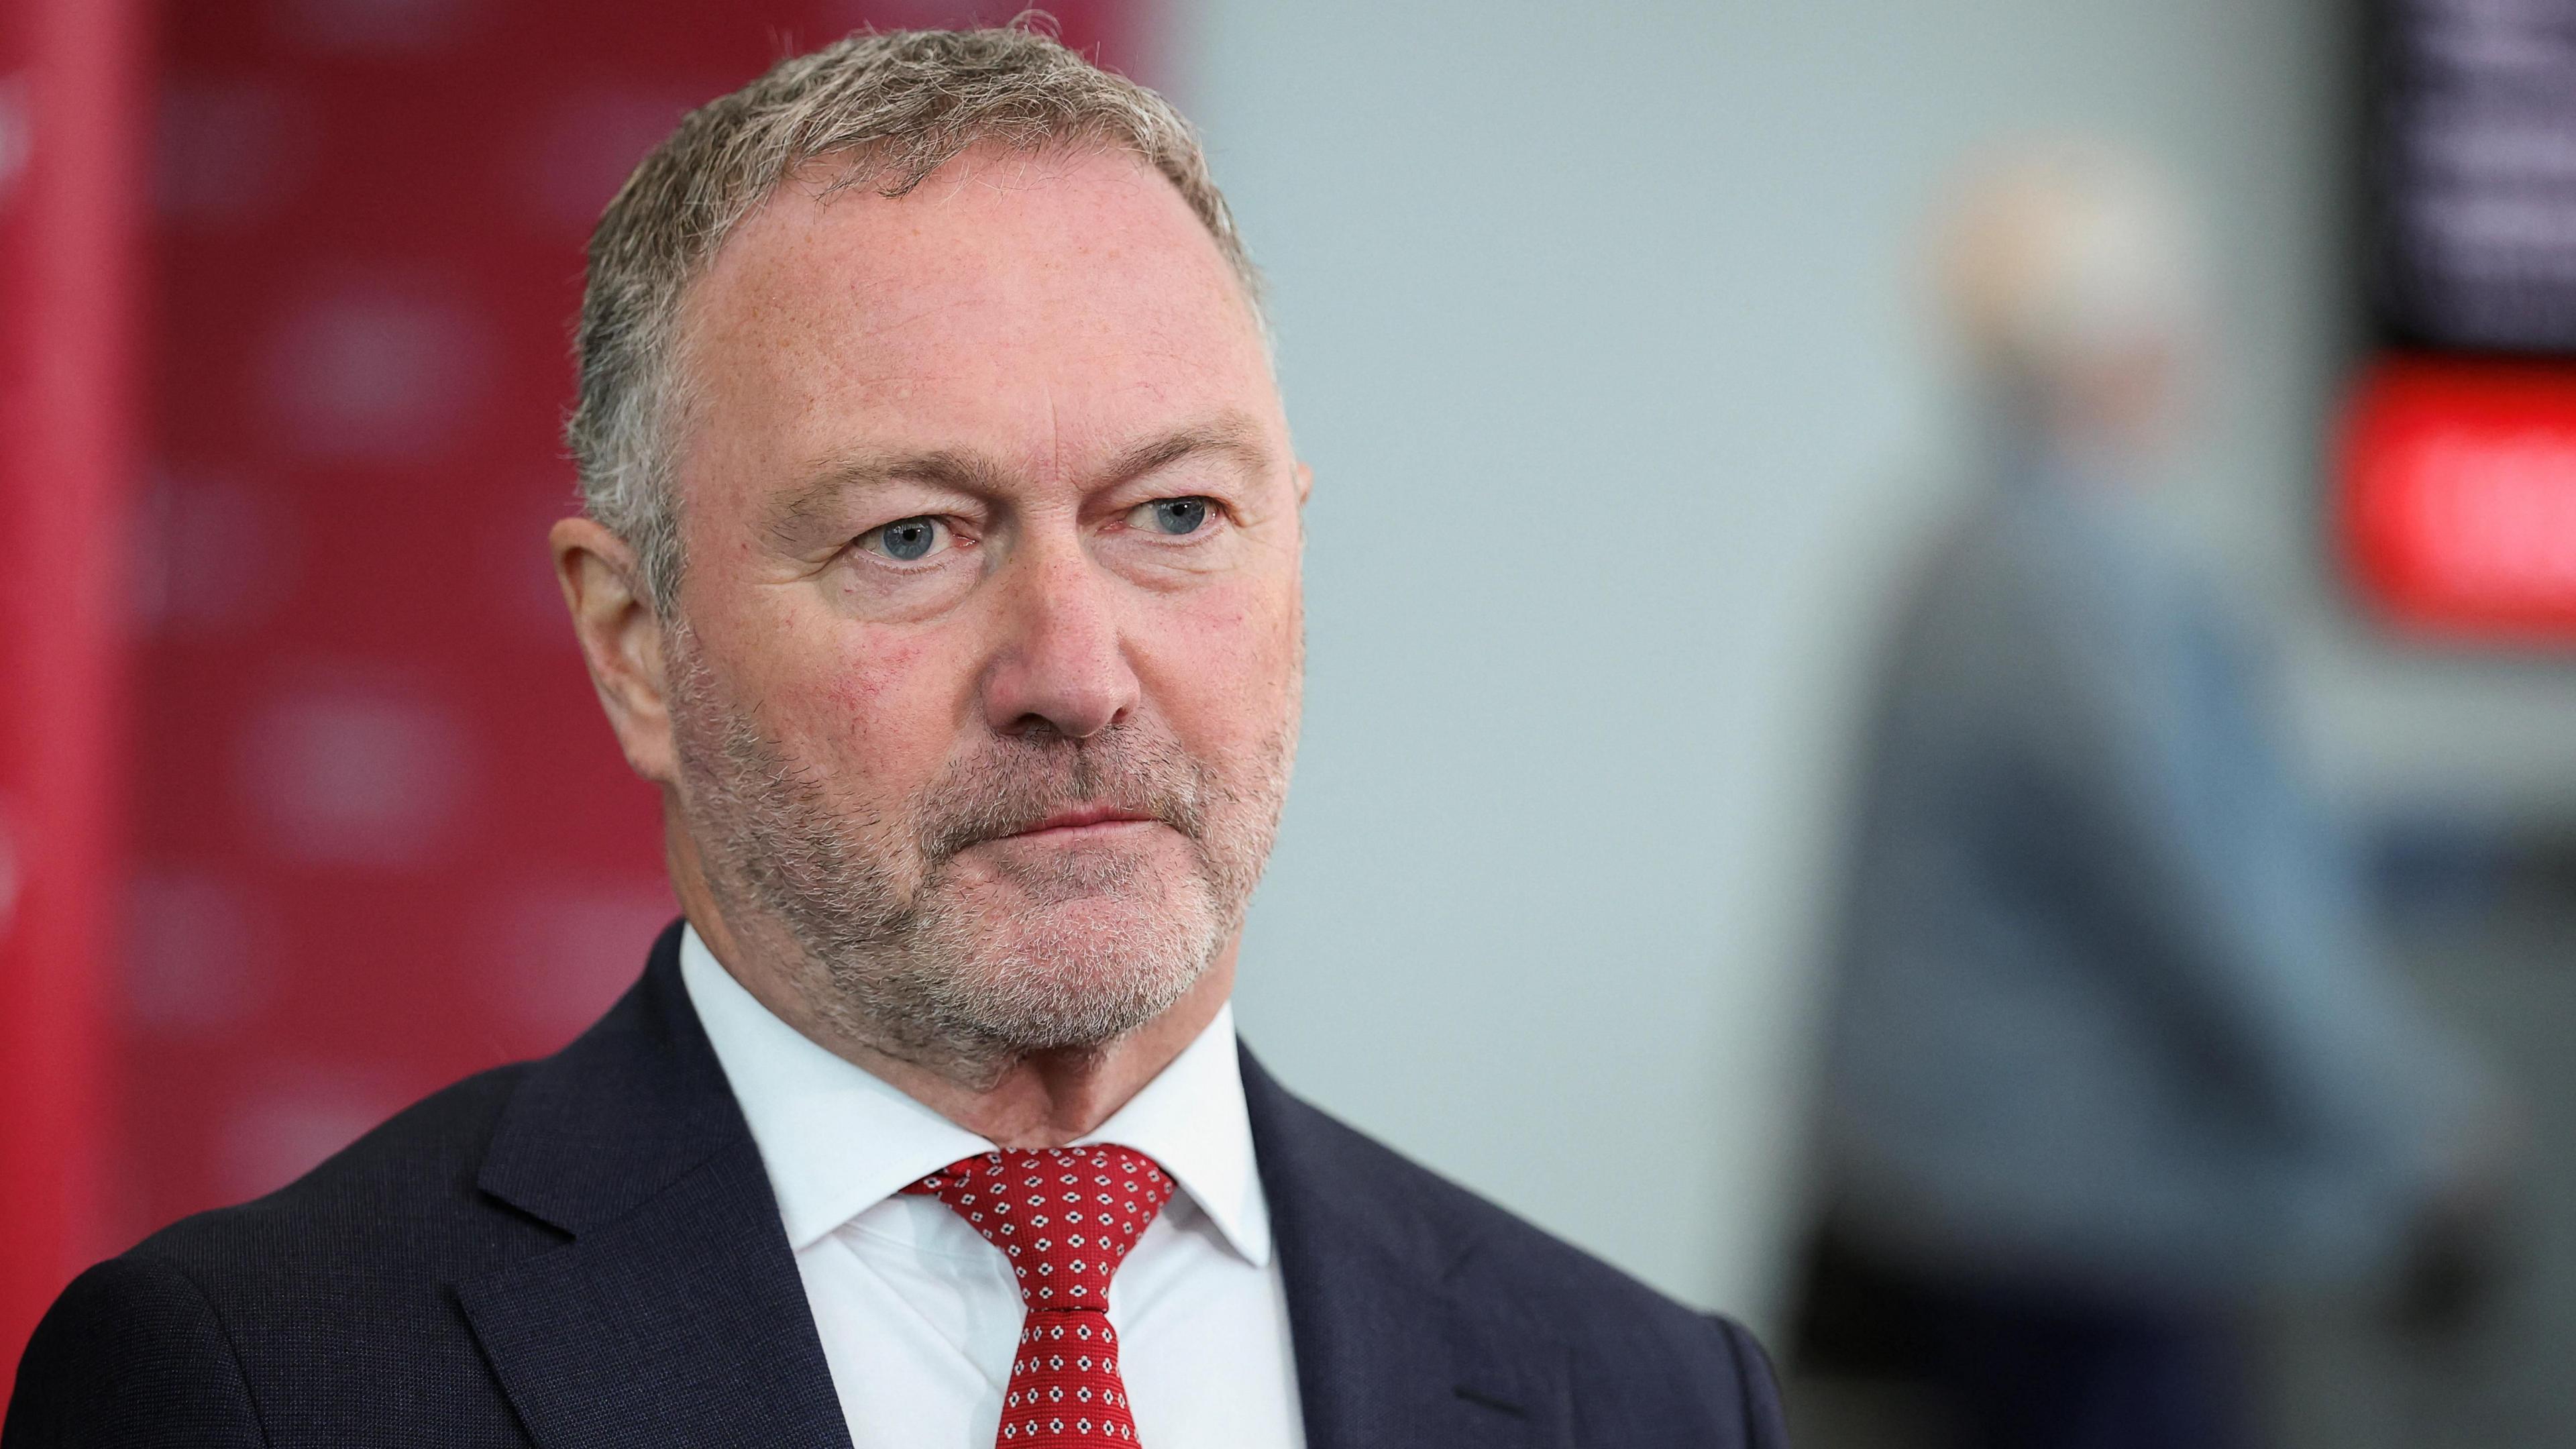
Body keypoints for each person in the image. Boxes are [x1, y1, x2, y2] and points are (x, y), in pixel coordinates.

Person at [4, 25, 1786, 1449]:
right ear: (634, 643)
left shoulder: (1640, 1398)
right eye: (914, 537)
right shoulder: (257, 1387)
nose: (1077, 674)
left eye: (1172, 515)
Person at [1797, 147, 2498, 1449]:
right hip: (2075, 1256)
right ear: (2128, 347)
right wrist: (2426, 1133)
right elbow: (2226, 914)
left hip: (1953, 1224)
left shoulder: (1959, 552)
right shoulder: (2088, 585)